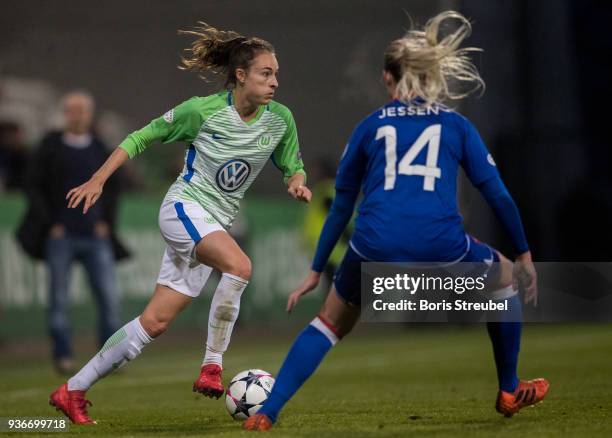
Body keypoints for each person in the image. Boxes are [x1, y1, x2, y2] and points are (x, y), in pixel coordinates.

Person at [244, 11, 548, 431]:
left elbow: (341, 206)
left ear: (388, 79)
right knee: (505, 277)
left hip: (373, 246)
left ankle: (267, 411)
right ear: (428, 76)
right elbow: (496, 194)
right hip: (441, 244)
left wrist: (316, 270)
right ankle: (510, 387)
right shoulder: (456, 125)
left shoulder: (368, 128)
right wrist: (524, 251)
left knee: (329, 323)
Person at [48, 23, 311, 425]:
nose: (275, 81)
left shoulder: (280, 120)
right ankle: (212, 365)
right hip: (183, 208)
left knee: (154, 322)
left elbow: (293, 166)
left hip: (211, 223)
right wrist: (99, 178)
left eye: (276, 73)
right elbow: (141, 136)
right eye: (266, 73)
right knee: (240, 267)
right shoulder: (202, 110)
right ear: (241, 75)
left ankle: (73, 390)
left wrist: (296, 183)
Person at [16, 92, 129, 375]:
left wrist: (106, 223)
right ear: (65, 114)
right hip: (61, 236)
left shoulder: (101, 148)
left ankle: (107, 359)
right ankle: (63, 355)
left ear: (90, 115)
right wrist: (50, 223)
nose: (78, 115)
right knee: (59, 300)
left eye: (83, 110)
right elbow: (33, 185)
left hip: (94, 235)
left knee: (109, 300)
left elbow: (115, 189)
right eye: (72, 110)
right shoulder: (50, 147)